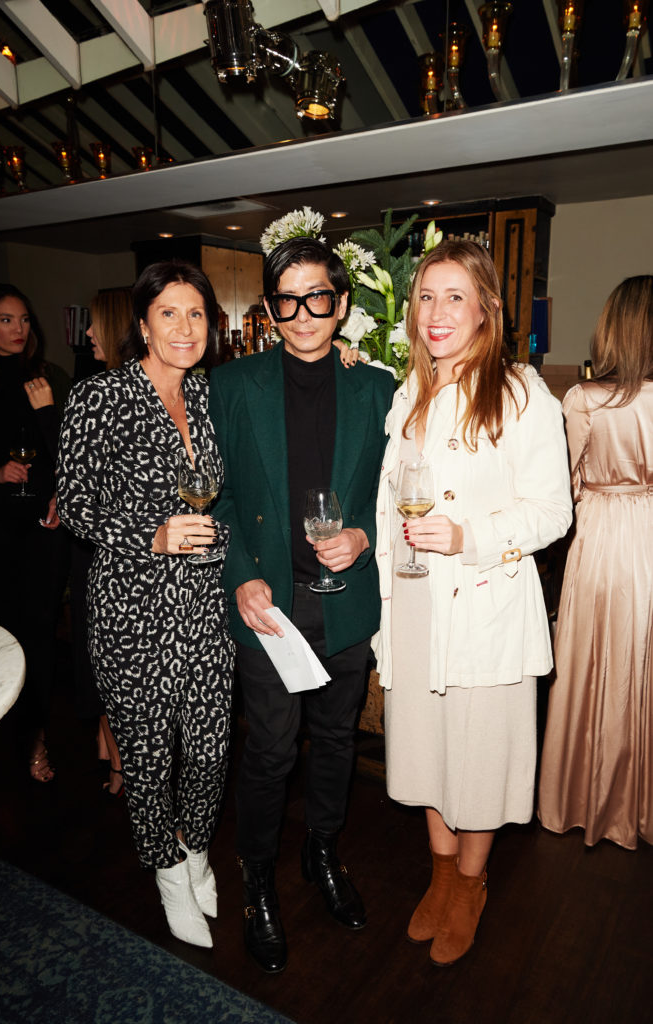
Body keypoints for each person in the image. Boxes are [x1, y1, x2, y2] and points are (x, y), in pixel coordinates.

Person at [373, 240, 572, 966]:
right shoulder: (406, 395)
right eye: (426, 296)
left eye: (455, 296)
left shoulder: (521, 393)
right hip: (418, 603)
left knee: (480, 755)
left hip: (484, 601)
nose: (436, 312)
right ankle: (436, 871)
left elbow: (552, 513)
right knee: (425, 746)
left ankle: (469, 882)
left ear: (488, 307)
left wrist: (468, 535)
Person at [209, 237, 394, 973]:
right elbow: (215, 495)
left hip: (343, 604)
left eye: (318, 296)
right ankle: (257, 879)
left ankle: (321, 853)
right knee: (271, 752)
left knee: (338, 742)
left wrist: (362, 535)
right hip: (269, 607)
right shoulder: (233, 385)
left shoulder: (377, 387)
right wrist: (240, 576)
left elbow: (401, 490)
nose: (303, 313)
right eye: (287, 299)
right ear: (270, 308)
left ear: (341, 303)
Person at [57, 260, 234, 948]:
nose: (184, 328)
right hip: (132, 609)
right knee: (147, 754)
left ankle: (195, 848)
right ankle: (165, 870)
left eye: (196, 314)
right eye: (169, 313)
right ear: (141, 325)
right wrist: (149, 534)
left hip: (206, 605)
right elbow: (73, 505)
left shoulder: (213, 397)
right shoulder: (98, 399)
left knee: (212, 750)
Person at [538, 276, 653, 850]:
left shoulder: (586, 398)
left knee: (594, 664)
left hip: (607, 534)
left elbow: (568, 481)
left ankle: (587, 797)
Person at [0, 283, 70, 782]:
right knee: (12, 633)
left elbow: (67, 455)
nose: (18, 329)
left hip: (42, 525)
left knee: (41, 634)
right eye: (7, 320)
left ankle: (37, 734)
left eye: (24, 320)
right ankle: (25, 736)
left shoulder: (45, 378)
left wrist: (58, 495)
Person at [70, 289, 132, 799]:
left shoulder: (192, 392)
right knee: (108, 668)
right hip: (103, 558)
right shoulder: (94, 393)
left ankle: (111, 745)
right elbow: (76, 499)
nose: (88, 334)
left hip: (159, 570)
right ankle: (115, 754)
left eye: (95, 324)